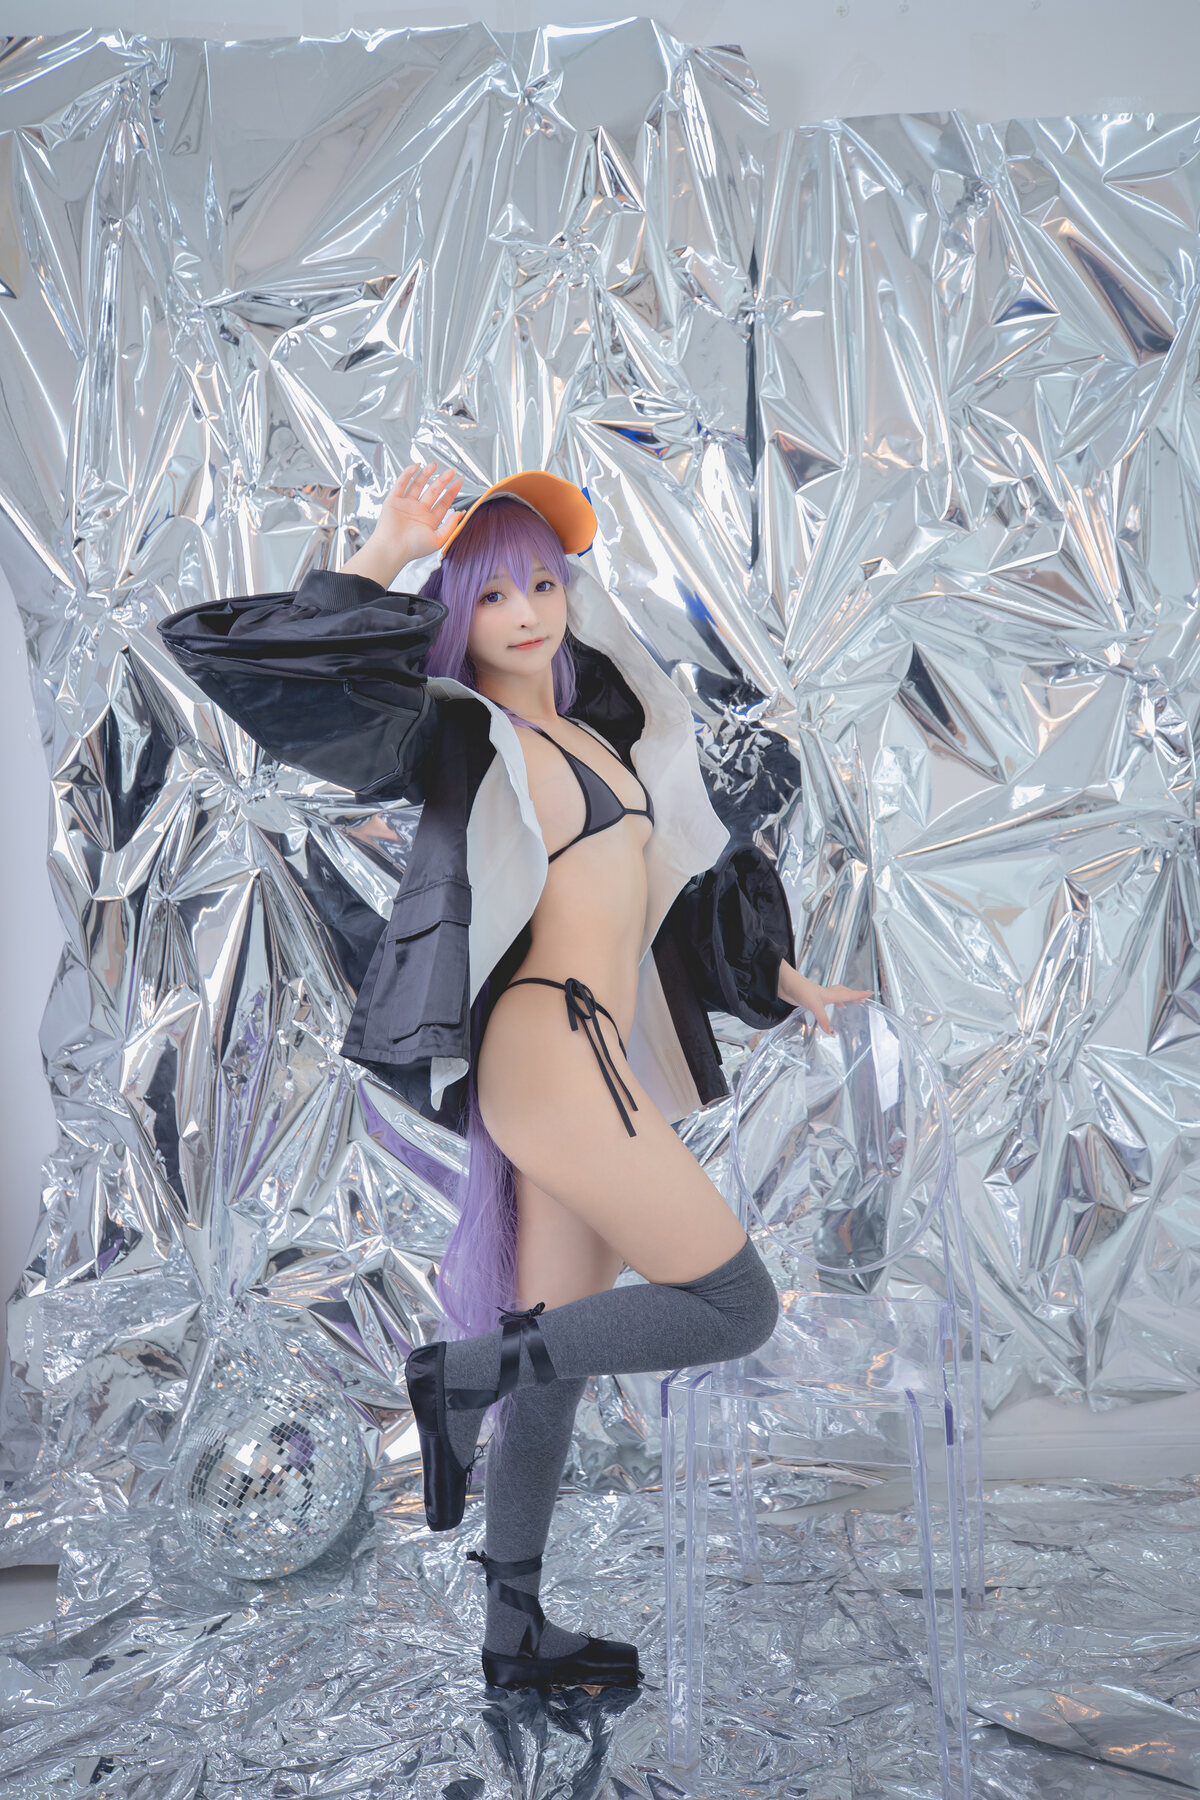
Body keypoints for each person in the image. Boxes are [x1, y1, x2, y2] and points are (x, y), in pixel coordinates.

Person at [157, 461, 871, 1693]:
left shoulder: (603, 731)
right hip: (551, 1046)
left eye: (542, 583)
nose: (525, 613)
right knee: (734, 1305)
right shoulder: (455, 735)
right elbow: (283, 666)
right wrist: (384, 551)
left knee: (559, 1349)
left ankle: (515, 1629)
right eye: (492, 594)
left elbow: (666, 898)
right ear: (458, 613)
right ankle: (458, 1376)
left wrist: (790, 982)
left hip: (590, 1048)